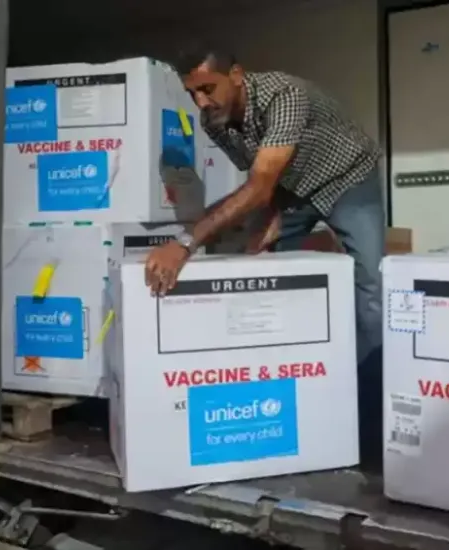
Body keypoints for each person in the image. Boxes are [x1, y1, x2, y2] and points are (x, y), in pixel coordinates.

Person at [144, 51, 385, 441]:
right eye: (192, 94)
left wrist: (185, 243)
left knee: (371, 289)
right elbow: (264, 177)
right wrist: (273, 216)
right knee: (268, 272)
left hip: (348, 179)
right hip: (292, 189)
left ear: (237, 75)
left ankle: (369, 412)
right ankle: (296, 386)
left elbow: (258, 186)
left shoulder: (283, 95)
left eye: (208, 89)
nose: (201, 103)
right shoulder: (214, 121)